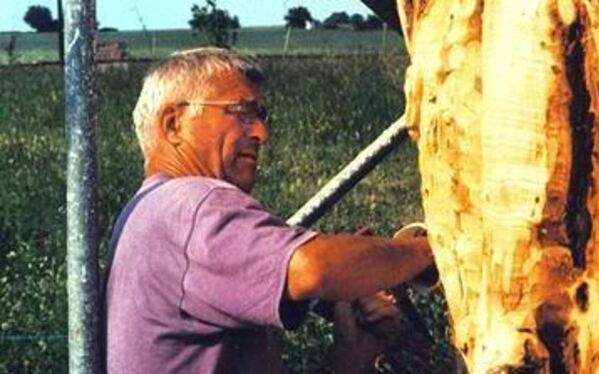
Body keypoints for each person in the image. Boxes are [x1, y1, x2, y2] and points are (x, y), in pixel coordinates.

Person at [105, 47, 433, 373]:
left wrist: (352, 351)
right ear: (174, 124)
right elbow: (314, 268)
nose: (262, 133)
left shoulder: (148, 210)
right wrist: (431, 250)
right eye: (242, 112)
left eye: (261, 115)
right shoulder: (192, 204)